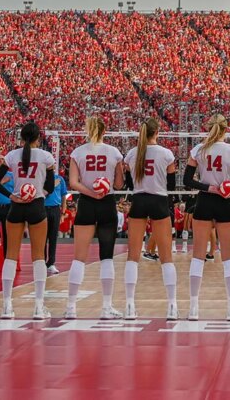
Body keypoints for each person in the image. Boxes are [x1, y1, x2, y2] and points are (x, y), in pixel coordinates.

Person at [0, 121, 57, 319]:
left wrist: (12, 196)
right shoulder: (46, 156)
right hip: (36, 205)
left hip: (17, 206)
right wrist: (40, 194)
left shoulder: (11, 155)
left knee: (10, 255)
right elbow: (51, 186)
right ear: (38, 138)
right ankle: (38, 306)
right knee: (38, 257)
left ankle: (6, 305)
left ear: (22, 137)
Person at [183, 114, 230, 321]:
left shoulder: (198, 150)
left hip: (205, 200)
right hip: (225, 203)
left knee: (198, 255)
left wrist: (209, 186)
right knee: (228, 256)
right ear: (226, 130)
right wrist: (225, 187)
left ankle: (193, 307)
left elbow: (186, 180)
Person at [64, 116, 125, 320]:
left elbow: (73, 182)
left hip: (87, 204)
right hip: (107, 202)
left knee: (79, 258)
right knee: (106, 256)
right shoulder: (114, 152)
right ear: (104, 131)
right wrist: (103, 188)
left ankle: (71, 307)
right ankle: (107, 307)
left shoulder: (78, 152)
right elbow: (118, 185)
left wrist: (91, 192)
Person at [123, 117, 178, 320]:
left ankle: (129, 305)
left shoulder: (132, 153)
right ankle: (172, 305)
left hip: (139, 200)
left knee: (133, 256)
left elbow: (128, 182)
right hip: (159, 200)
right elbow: (171, 185)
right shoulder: (166, 154)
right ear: (157, 132)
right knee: (166, 257)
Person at [44, 169, 68, 274]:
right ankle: (42, 262)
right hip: (42, 208)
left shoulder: (60, 179)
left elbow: (63, 196)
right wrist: (52, 185)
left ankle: (51, 263)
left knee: (53, 237)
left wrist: (63, 212)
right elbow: (41, 193)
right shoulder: (41, 177)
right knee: (42, 238)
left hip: (55, 209)